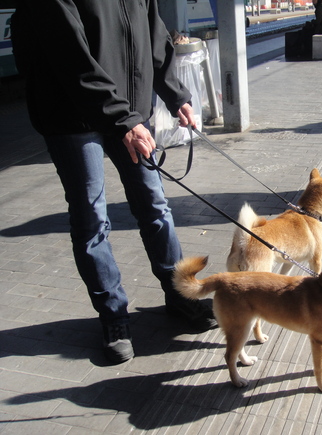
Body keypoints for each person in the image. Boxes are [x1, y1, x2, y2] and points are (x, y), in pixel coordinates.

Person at [11, 0, 217, 365]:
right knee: (91, 218)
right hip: (72, 114)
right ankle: (113, 317)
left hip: (128, 109)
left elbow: (153, 35)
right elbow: (68, 52)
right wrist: (124, 118)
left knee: (154, 204)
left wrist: (175, 94)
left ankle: (180, 296)